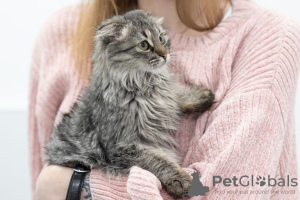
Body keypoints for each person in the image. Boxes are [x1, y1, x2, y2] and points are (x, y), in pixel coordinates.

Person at [28, 0, 300, 199]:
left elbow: (221, 192)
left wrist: (77, 187)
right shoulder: (59, 32)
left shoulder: (268, 38)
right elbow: (40, 181)